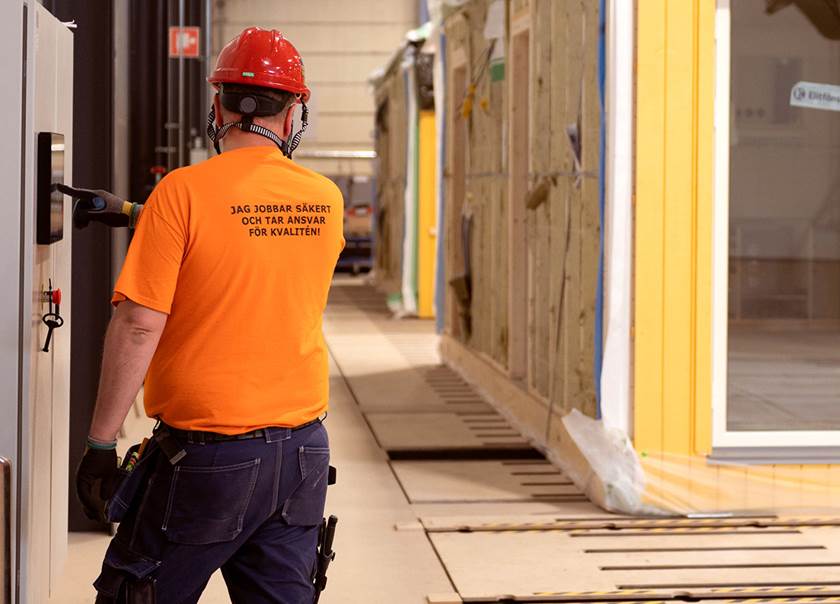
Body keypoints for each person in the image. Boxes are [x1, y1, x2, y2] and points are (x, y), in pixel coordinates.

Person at [73, 27, 344, 603]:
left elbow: (139, 323)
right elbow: (255, 234)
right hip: (301, 453)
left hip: (207, 458)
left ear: (216, 104)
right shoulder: (325, 198)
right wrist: (144, 215)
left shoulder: (182, 193)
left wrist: (100, 445)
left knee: (135, 594)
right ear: (295, 111)